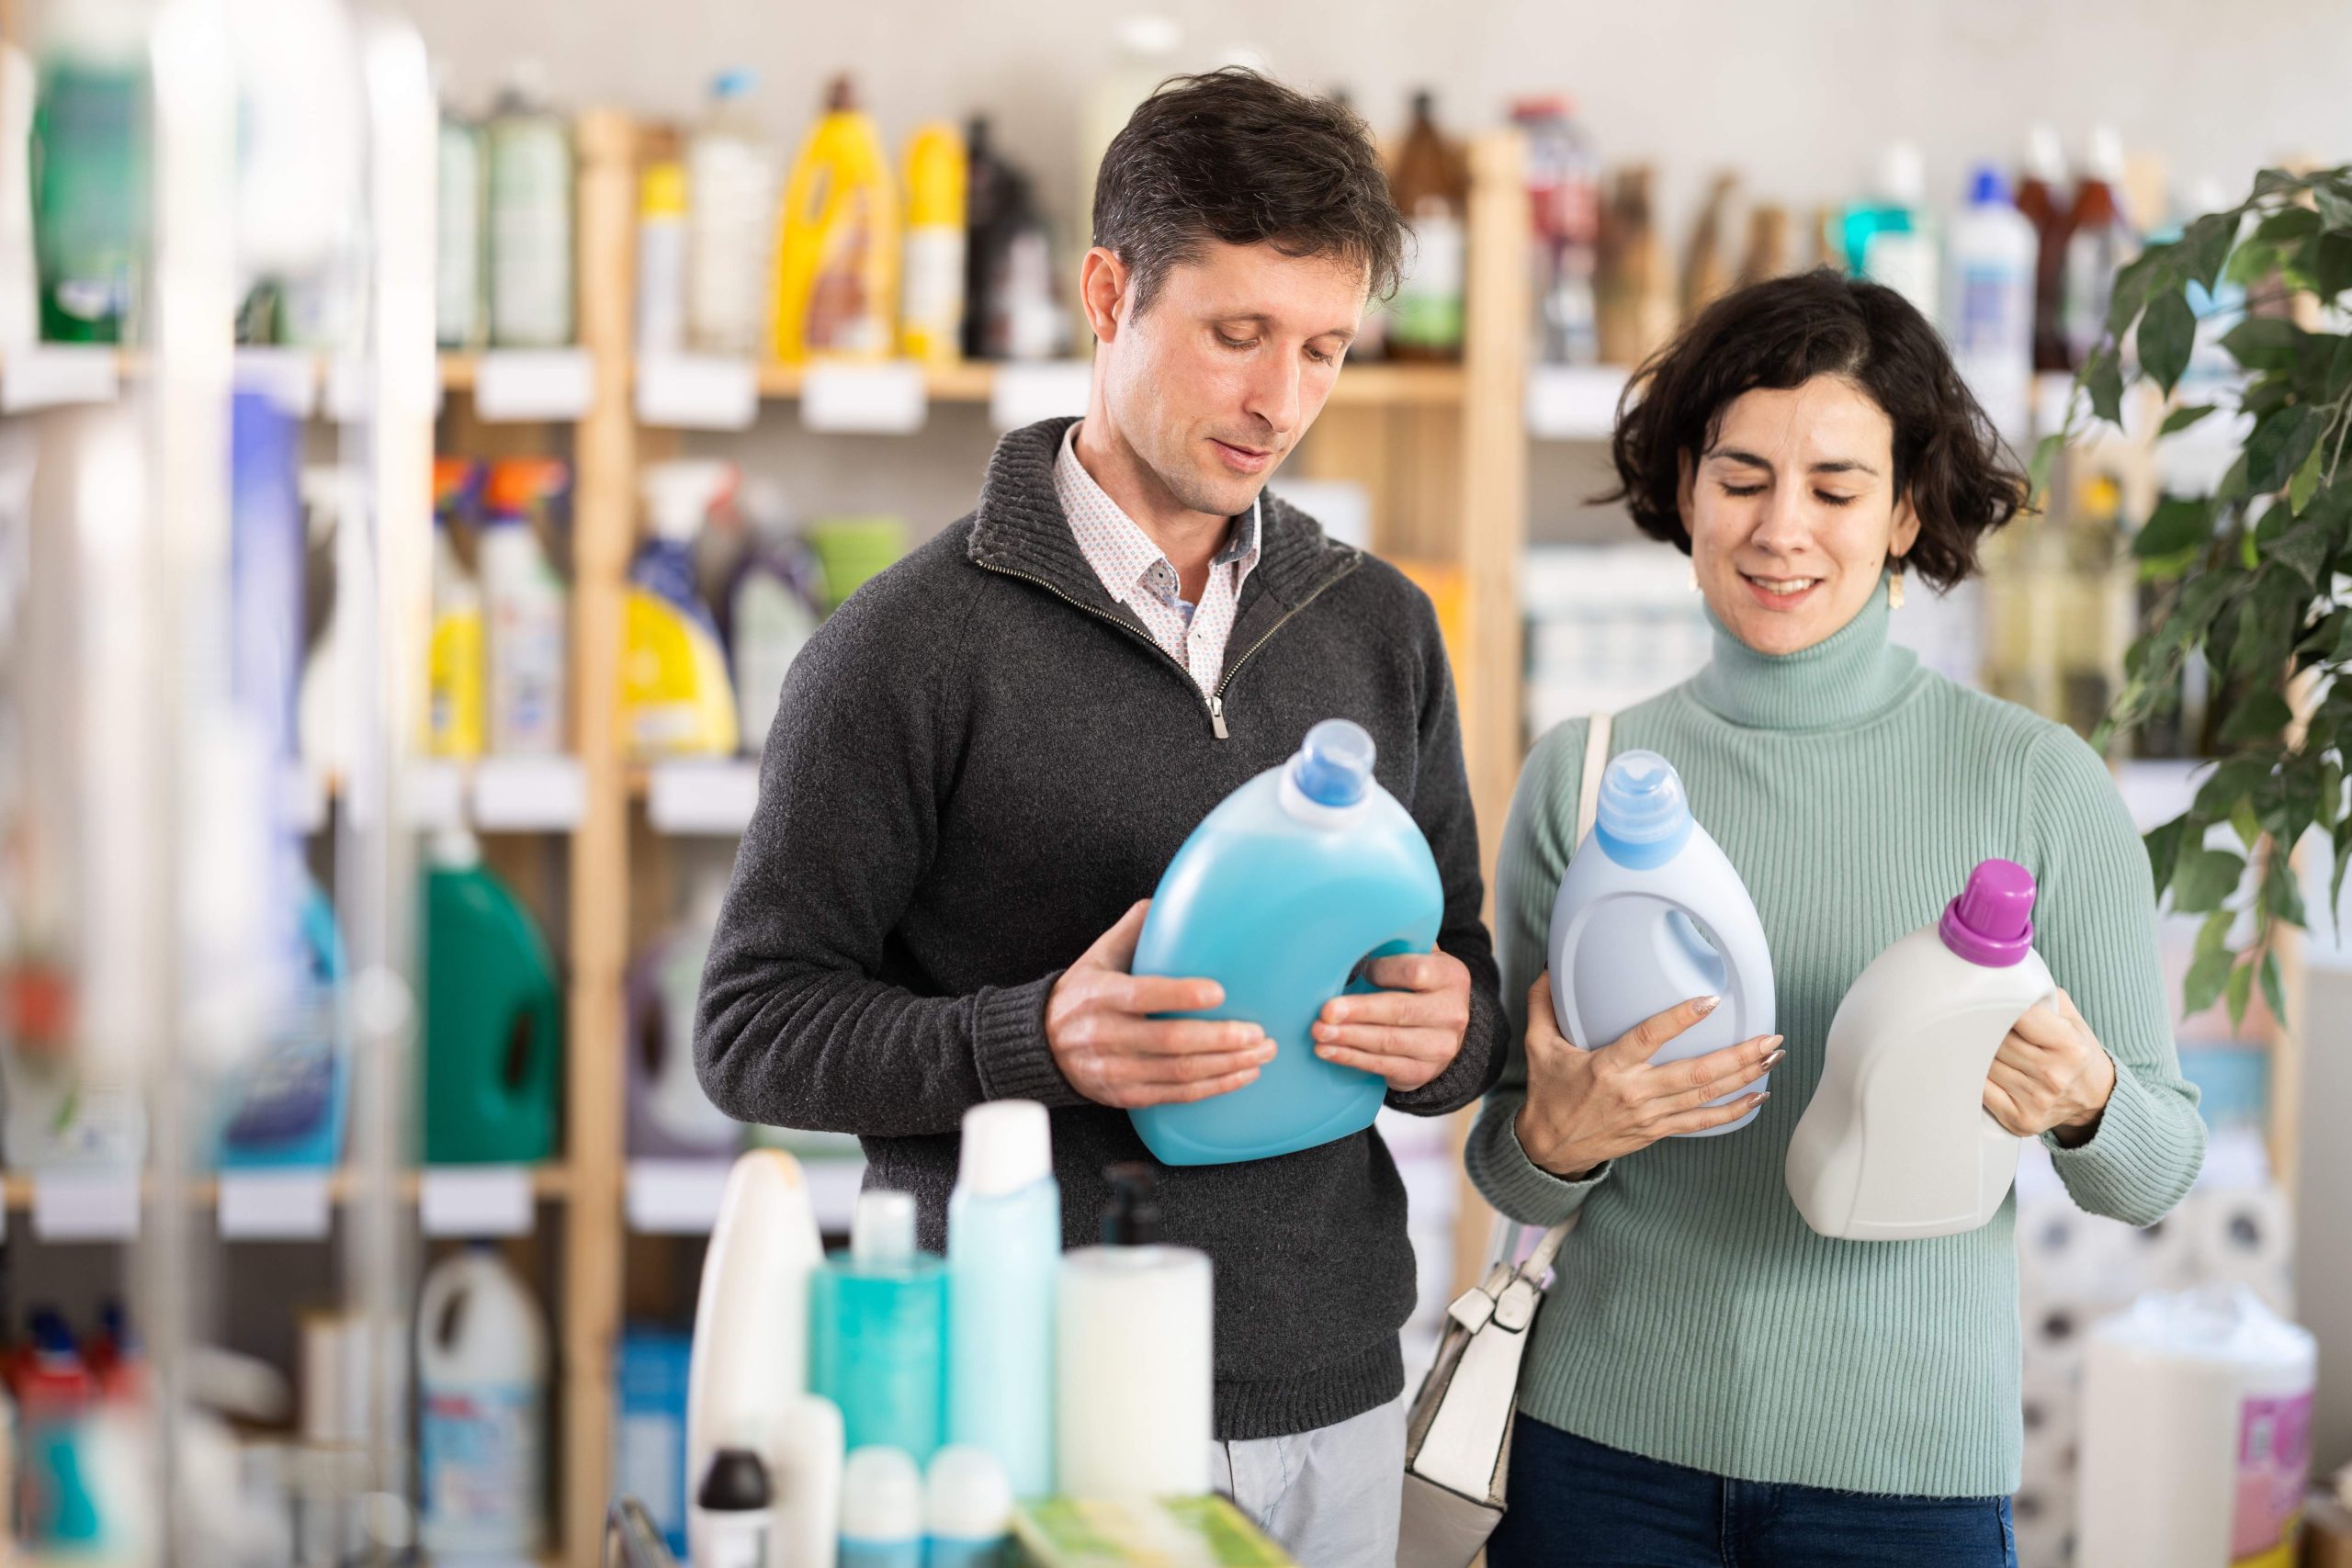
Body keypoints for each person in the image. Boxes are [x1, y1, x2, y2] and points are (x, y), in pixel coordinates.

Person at [695, 68, 1503, 1562]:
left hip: (1333, 1387)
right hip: (1025, 1391)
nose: (1282, 401)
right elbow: (750, 1026)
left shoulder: (1377, 625)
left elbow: (1466, 981)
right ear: (1108, 292)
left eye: (1324, 348)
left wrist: (1449, 1030)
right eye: (1238, 335)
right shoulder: (903, 648)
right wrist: (1028, 1043)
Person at [1469, 269, 2205, 1567]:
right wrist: (1558, 1137)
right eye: (1741, 477)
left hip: (1906, 1484)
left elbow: (2152, 1173)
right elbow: (1506, 1164)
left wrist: (2087, 1099)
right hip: (1603, 1457)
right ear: (1685, 492)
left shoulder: (2034, 783)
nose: (1781, 529)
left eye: (1837, 487)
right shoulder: (1583, 779)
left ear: (1909, 507)